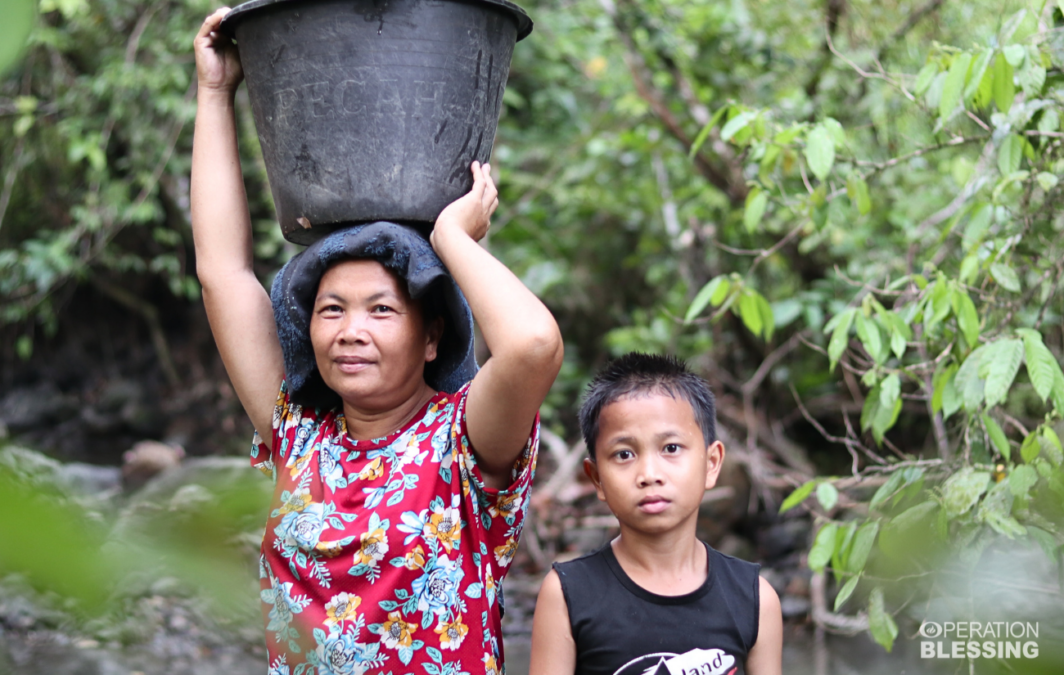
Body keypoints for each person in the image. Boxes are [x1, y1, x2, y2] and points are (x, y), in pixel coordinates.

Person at [191, 8, 564, 675]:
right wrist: (216, 93)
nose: (350, 330)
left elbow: (534, 345)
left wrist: (451, 236)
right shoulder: (296, 433)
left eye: (382, 309)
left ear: (432, 337)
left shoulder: (464, 443)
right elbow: (222, 273)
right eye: (331, 308)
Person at [529, 353, 782, 675]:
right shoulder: (568, 594)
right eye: (624, 454)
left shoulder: (754, 598)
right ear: (596, 478)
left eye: (671, 448)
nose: (649, 473)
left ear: (712, 463)